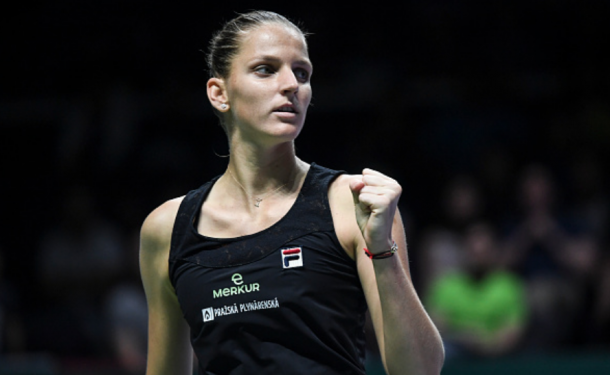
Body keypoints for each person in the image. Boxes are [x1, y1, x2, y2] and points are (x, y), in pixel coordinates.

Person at [139, 10, 444, 375]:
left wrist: (382, 251)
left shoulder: (353, 202)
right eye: (266, 69)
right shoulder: (167, 228)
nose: (291, 85)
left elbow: (421, 371)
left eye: (302, 73)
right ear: (219, 93)